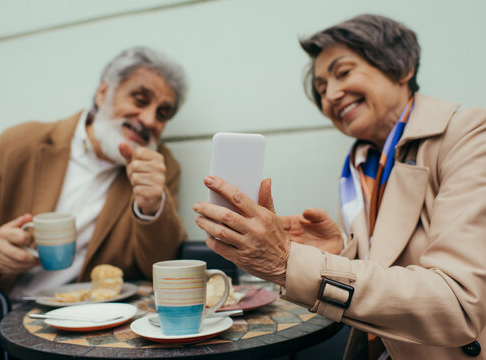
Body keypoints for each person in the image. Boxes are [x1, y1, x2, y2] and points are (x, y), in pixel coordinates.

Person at [193, 14, 486, 360]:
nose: (330, 95)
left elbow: (458, 304)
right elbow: (393, 270)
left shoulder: (469, 134)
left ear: (402, 68)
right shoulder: (359, 166)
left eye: (343, 72)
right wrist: (340, 252)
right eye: (320, 89)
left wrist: (290, 262)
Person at [0, 46, 187, 357]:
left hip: (81, 329)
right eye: (140, 100)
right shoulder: (21, 143)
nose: (149, 120)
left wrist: (152, 204)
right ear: (103, 93)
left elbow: (158, 266)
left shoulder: (159, 168)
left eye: (162, 113)